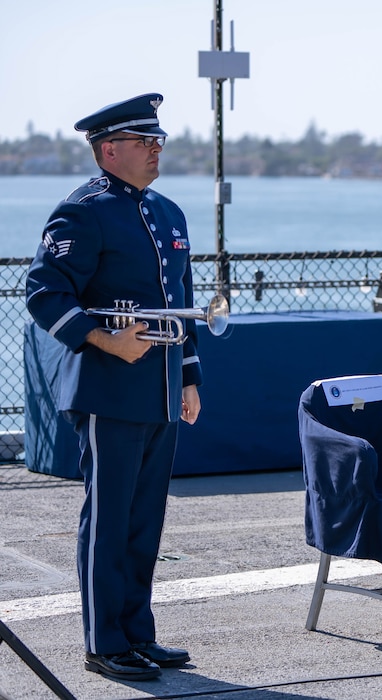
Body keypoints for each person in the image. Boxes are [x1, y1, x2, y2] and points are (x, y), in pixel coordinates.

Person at [25, 94, 203, 681]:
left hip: (159, 390)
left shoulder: (169, 212)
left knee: (145, 518)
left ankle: (137, 634)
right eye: (144, 142)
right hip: (106, 391)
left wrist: (189, 377)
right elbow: (44, 293)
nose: (156, 150)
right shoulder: (84, 211)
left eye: (158, 142)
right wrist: (103, 339)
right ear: (108, 150)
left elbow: (182, 305)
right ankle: (104, 643)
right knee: (107, 520)